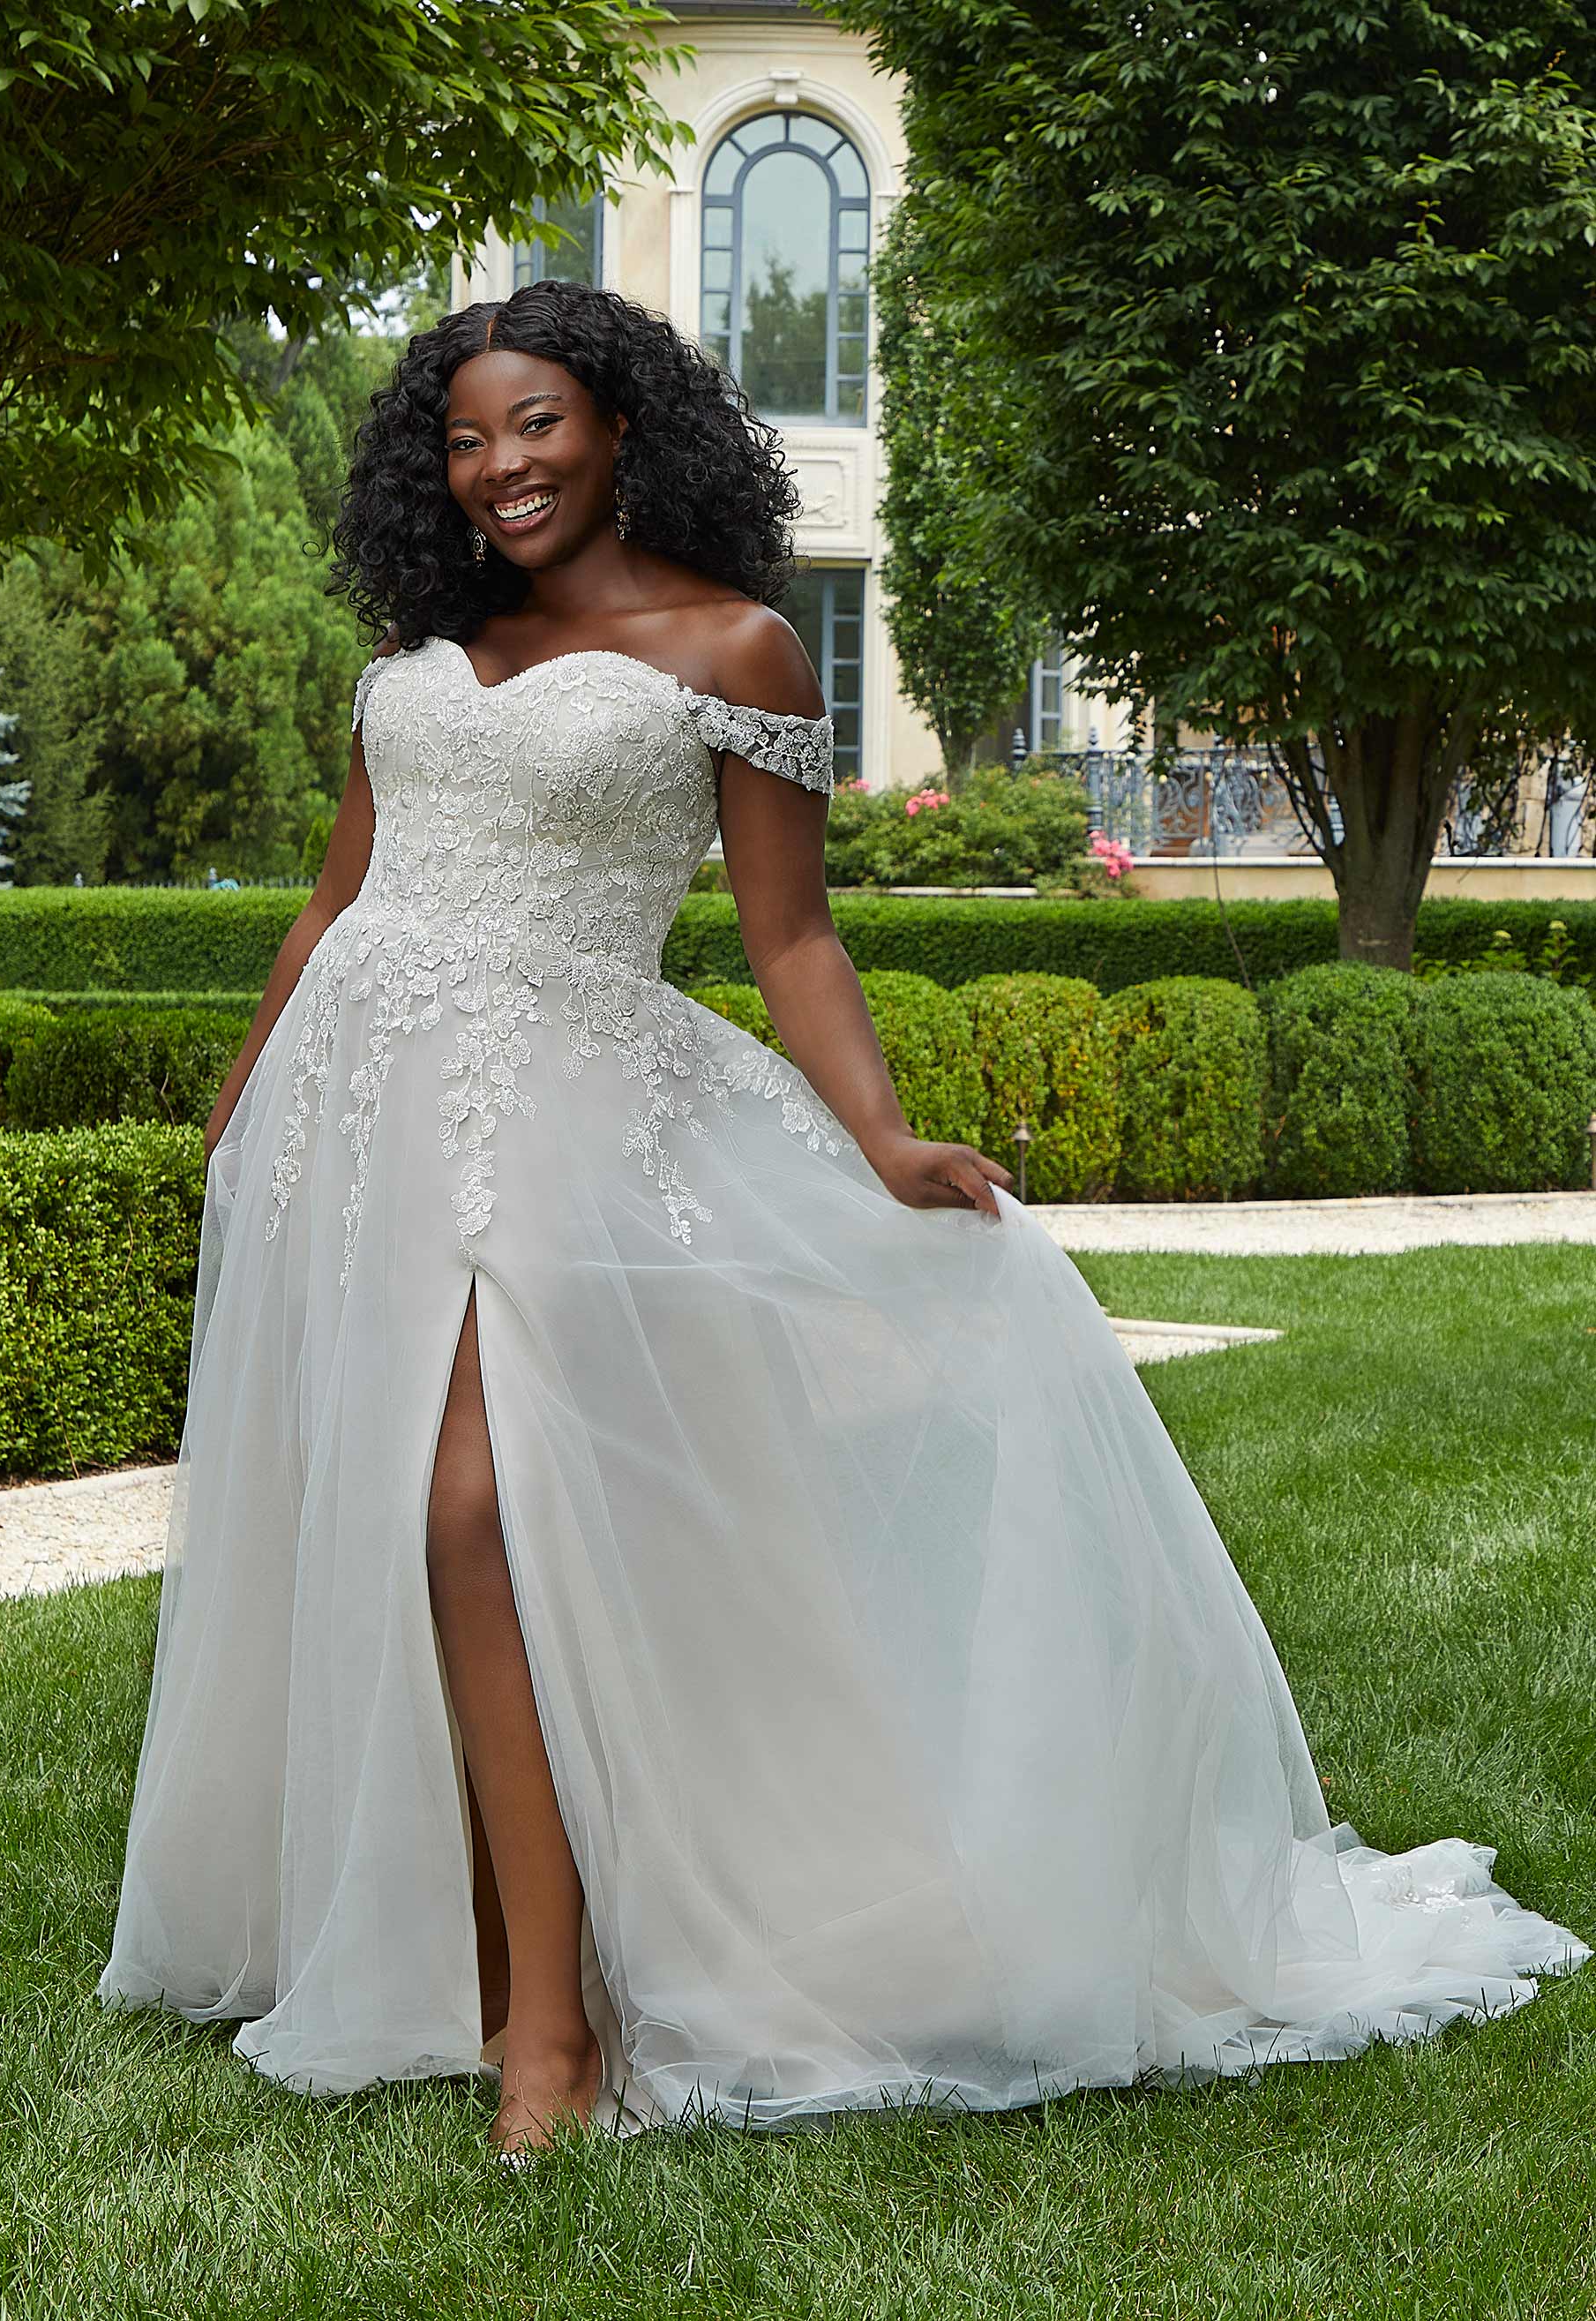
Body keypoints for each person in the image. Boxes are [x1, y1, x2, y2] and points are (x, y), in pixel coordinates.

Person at [98, 282, 1589, 2165]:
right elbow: (338, 900)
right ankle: (475, 1952)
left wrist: (879, 1137)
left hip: (561, 1113)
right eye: (465, 440)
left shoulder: (736, 646)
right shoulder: (422, 641)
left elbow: (789, 934)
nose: (503, 468)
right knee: (399, 1529)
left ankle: (553, 2027)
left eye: (538, 423)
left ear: (623, 424)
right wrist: (245, 1100)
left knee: (478, 1505)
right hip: (354, 1111)